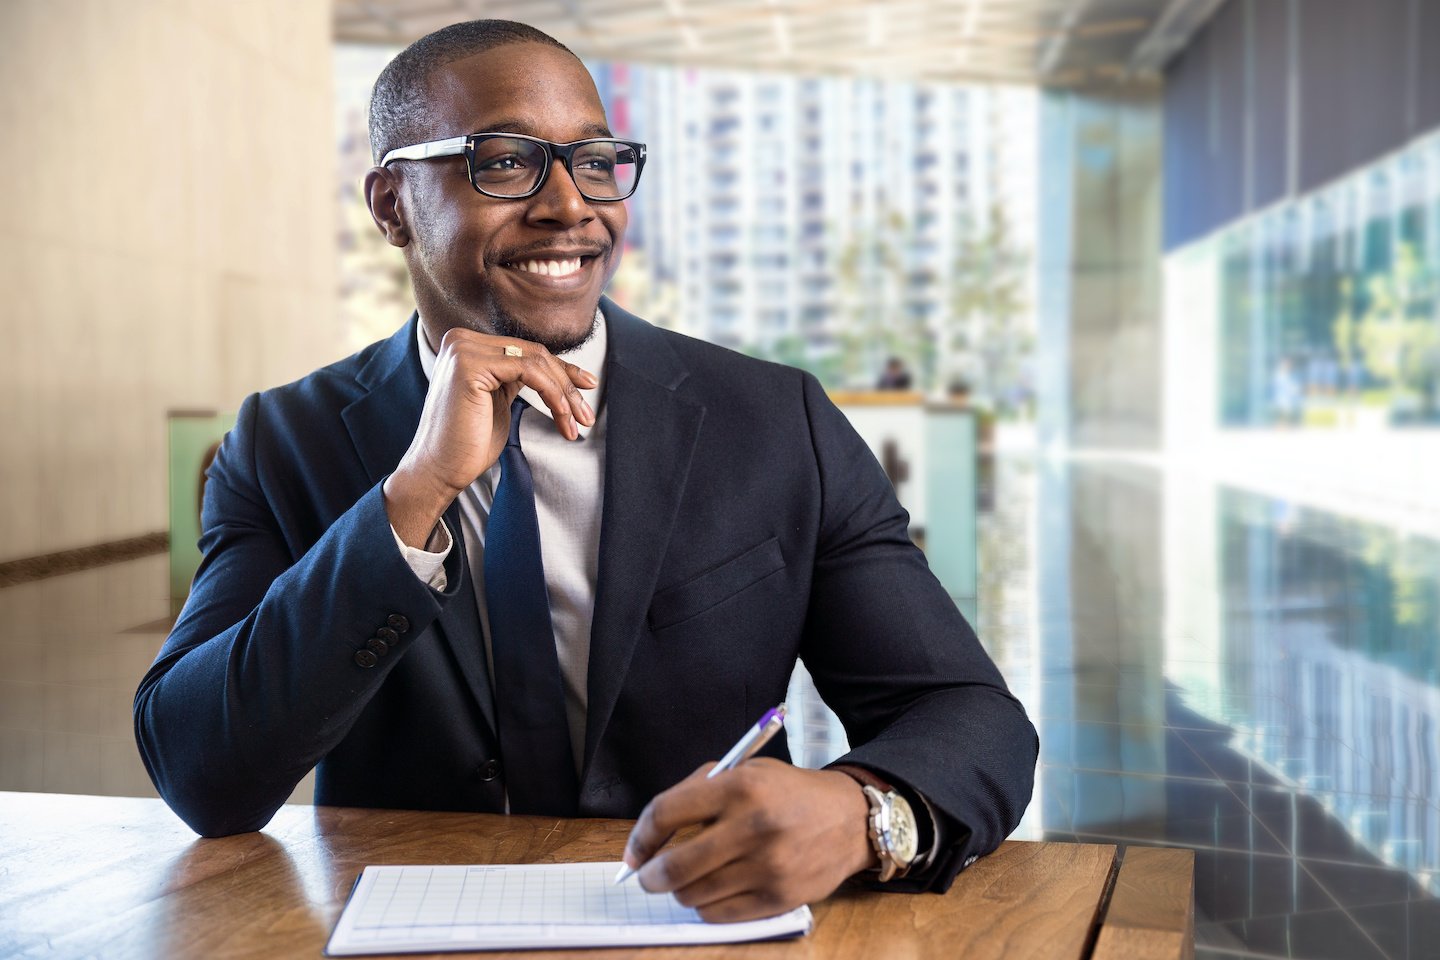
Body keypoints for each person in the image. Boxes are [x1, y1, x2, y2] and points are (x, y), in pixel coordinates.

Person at [133, 20, 1036, 923]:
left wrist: (858, 812)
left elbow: (970, 717)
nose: (571, 204)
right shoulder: (284, 439)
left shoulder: (773, 421)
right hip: (408, 931)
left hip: (703, 923)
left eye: (596, 161)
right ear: (390, 204)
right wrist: (411, 498)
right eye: (506, 161)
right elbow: (203, 772)